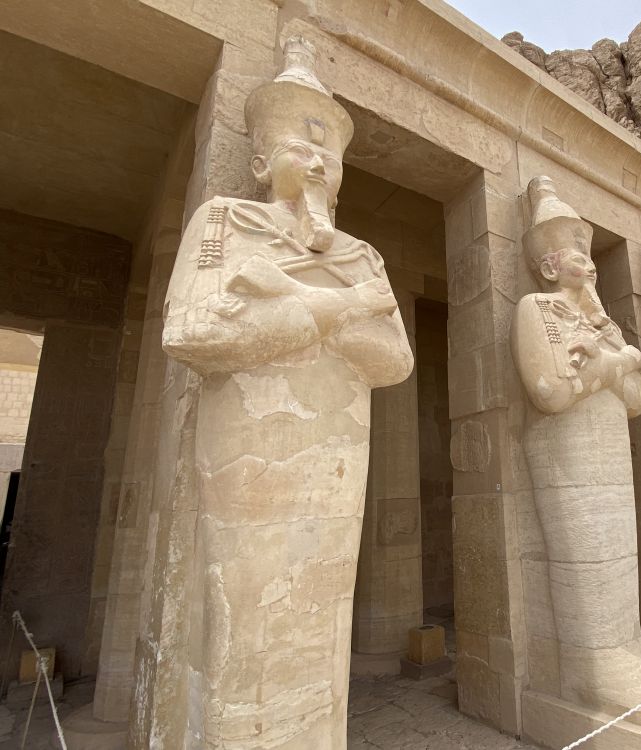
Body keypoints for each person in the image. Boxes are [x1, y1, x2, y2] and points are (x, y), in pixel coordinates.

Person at [161, 37, 412, 748]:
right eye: (303, 148)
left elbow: (395, 360)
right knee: (243, 613)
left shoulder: (361, 255)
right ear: (259, 163)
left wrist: (312, 306)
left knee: (323, 607)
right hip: (247, 450)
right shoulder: (224, 223)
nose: (320, 162)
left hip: (336, 454)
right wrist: (337, 309)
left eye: (330, 153)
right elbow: (194, 330)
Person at [510, 176, 641, 724]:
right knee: (585, 553)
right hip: (564, 450)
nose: (590, 266)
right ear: (548, 267)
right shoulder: (536, 308)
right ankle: (591, 662)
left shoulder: (602, 325)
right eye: (578, 257)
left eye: (590, 257)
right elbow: (551, 391)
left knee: (618, 551)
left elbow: (637, 401)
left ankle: (625, 647)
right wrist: (619, 363)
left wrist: (607, 361)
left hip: (609, 444)